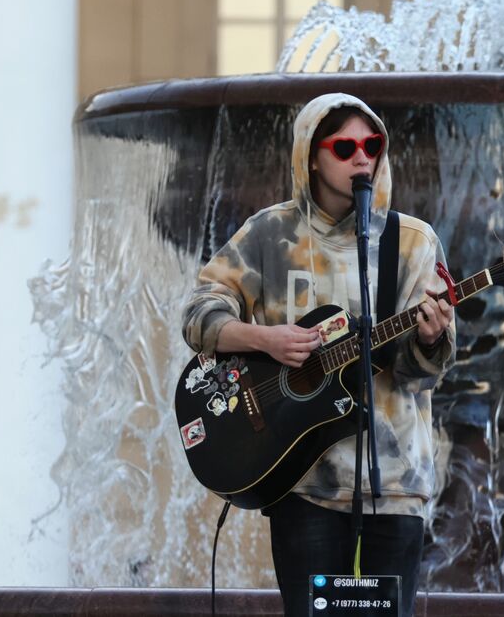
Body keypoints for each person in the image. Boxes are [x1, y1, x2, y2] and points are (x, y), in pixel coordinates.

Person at [181, 92, 455, 617]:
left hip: (395, 484)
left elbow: (421, 376)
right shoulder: (269, 234)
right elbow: (199, 315)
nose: (362, 158)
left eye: (372, 145)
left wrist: (428, 338)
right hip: (301, 479)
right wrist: (266, 339)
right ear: (311, 154)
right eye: (345, 146)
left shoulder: (412, 242)